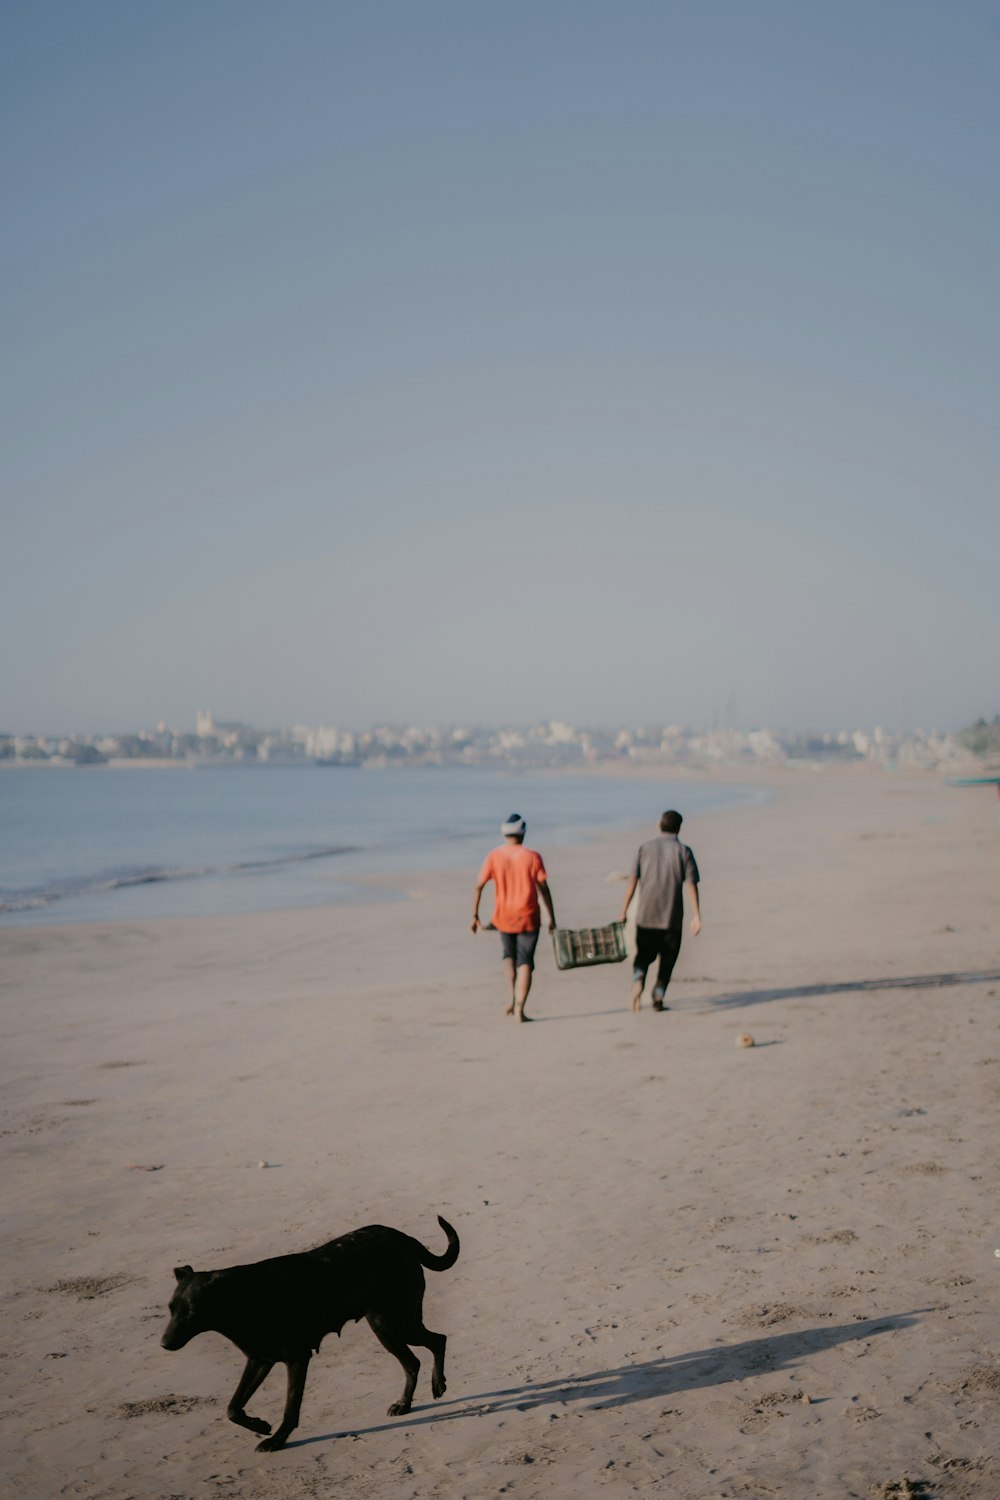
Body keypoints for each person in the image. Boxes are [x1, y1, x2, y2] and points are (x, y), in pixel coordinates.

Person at [471, 813, 556, 1022]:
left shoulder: (494, 856)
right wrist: (552, 917)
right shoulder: (532, 857)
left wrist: (474, 915)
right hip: (528, 916)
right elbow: (544, 888)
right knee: (525, 960)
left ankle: (510, 995)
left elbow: (479, 885)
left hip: (503, 916)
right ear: (523, 832)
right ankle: (520, 1008)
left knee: (508, 955)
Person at [619, 810, 701, 1013]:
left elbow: (632, 881)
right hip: (671, 917)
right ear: (679, 828)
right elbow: (691, 884)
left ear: (659, 825)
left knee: (643, 956)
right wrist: (697, 915)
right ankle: (658, 996)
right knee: (668, 959)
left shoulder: (644, 848)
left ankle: (638, 981)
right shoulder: (684, 851)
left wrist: (623, 910)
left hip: (646, 916)